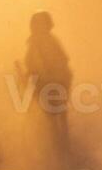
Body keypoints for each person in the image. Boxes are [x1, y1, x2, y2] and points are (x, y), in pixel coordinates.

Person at [22, 11, 73, 156]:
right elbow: (32, 65)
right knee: (47, 122)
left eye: (39, 24)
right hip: (45, 86)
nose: (35, 27)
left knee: (53, 123)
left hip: (53, 85)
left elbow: (61, 63)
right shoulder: (35, 42)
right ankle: (55, 153)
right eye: (34, 24)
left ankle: (60, 154)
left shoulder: (48, 42)